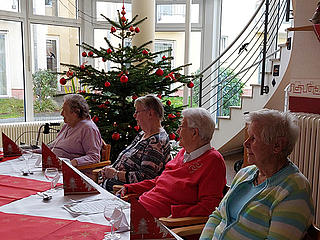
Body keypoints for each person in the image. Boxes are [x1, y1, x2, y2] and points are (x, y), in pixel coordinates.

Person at [200, 109, 314, 240]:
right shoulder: (245, 173)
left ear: (277, 145)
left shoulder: (294, 189)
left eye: (253, 138)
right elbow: (218, 215)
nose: (246, 143)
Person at [119, 107, 226, 218]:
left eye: (181, 127)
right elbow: (159, 181)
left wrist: (175, 214)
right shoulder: (184, 153)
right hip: (141, 209)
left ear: (194, 133)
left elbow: (209, 206)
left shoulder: (213, 161)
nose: (177, 131)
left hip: (158, 224)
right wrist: (131, 187)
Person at [100, 94, 171, 192]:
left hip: (124, 193)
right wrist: (110, 169)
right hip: (111, 186)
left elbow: (145, 178)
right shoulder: (143, 134)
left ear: (150, 113)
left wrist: (115, 174)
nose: (134, 115)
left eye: (137, 111)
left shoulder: (156, 142)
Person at [34, 94, 103, 167]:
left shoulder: (88, 129)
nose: (61, 114)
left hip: (73, 173)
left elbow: (94, 157)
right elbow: (53, 147)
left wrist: (71, 163)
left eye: (64, 110)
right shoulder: (68, 125)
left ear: (75, 113)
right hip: (54, 167)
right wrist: (32, 152)